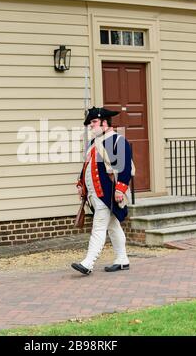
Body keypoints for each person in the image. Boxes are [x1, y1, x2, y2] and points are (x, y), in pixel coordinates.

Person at [71, 106, 132, 275]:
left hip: (107, 193)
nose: (91, 125)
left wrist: (120, 189)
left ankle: (88, 263)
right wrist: (81, 184)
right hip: (95, 195)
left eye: (94, 122)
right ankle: (122, 260)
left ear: (105, 122)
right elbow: (87, 166)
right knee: (113, 226)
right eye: (91, 122)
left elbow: (125, 168)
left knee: (99, 227)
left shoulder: (117, 140)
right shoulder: (93, 143)